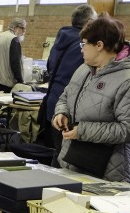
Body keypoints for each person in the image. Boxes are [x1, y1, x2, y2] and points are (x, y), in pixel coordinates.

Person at [52, 15, 130, 182]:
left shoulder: (126, 79)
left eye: (84, 44)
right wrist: (61, 113)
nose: (81, 49)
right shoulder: (83, 69)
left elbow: (126, 129)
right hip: (72, 162)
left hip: (107, 173)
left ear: (99, 45)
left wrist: (82, 131)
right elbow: (65, 96)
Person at [43, 4, 97, 160]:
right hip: (68, 106)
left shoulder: (61, 38)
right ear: (88, 22)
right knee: (65, 155)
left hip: (53, 101)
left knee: (57, 150)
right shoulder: (84, 44)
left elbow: (49, 66)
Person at [0, 18, 27, 92]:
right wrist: (20, 81)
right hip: (7, 82)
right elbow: (15, 63)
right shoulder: (14, 39)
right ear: (15, 28)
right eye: (22, 28)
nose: (24, 31)